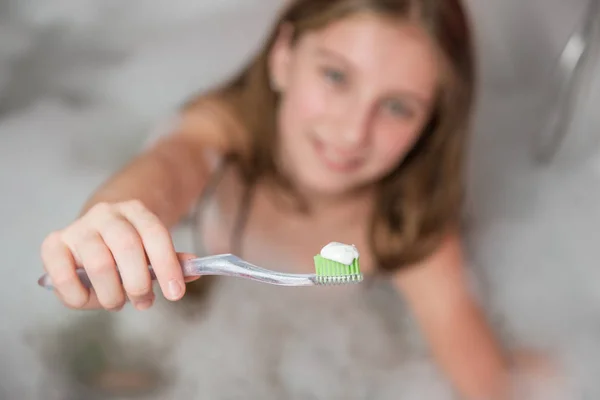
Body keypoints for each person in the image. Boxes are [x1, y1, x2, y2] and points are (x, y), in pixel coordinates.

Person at [39, 0, 554, 398]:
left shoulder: (408, 224)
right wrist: (110, 223)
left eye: (397, 107)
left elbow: (487, 383)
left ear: (431, 124)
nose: (353, 132)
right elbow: (168, 170)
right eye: (335, 76)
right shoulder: (218, 133)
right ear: (283, 56)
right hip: (173, 336)